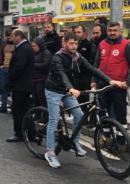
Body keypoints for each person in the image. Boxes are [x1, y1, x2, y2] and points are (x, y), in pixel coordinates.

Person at [44, 33, 123, 168]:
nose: (74, 46)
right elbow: (61, 74)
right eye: (71, 43)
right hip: (54, 91)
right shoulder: (57, 57)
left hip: (68, 91)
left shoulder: (77, 57)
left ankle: (75, 143)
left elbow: (92, 69)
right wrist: (70, 88)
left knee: (80, 115)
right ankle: (50, 153)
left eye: (76, 44)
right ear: (64, 44)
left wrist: (109, 80)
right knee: (53, 120)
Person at [92, 22, 130, 131]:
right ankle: (106, 138)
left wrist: (128, 82)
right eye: (110, 30)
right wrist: (94, 80)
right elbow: (96, 64)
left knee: (120, 115)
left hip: (119, 86)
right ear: (107, 31)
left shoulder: (126, 45)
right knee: (103, 113)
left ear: (120, 31)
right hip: (103, 85)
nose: (112, 33)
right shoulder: (102, 44)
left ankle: (121, 142)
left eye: (115, 30)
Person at [5, 30, 35, 142]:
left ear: (19, 37)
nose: (11, 38)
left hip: (21, 84)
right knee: (26, 110)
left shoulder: (23, 49)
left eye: (12, 36)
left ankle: (19, 133)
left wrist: (10, 77)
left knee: (18, 110)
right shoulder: (26, 47)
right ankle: (31, 133)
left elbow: (19, 67)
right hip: (25, 84)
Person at [0, 29, 14, 113]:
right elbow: (1, 54)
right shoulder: (4, 43)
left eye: (11, 37)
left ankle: (14, 106)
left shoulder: (17, 44)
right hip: (4, 67)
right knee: (3, 88)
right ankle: (4, 106)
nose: (10, 39)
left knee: (13, 89)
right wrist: (1, 65)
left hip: (12, 68)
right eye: (8, 37)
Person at [31, 37, 52, 109]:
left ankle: (45, 115)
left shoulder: (46, 53)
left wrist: (32, 65)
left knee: (42, 98)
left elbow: (46, 64)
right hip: (34, 78)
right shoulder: (34, 53)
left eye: (34, 46)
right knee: (35, 99)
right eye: (32, 46)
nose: (33, 48)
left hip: (42, 79)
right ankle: (37, 114)